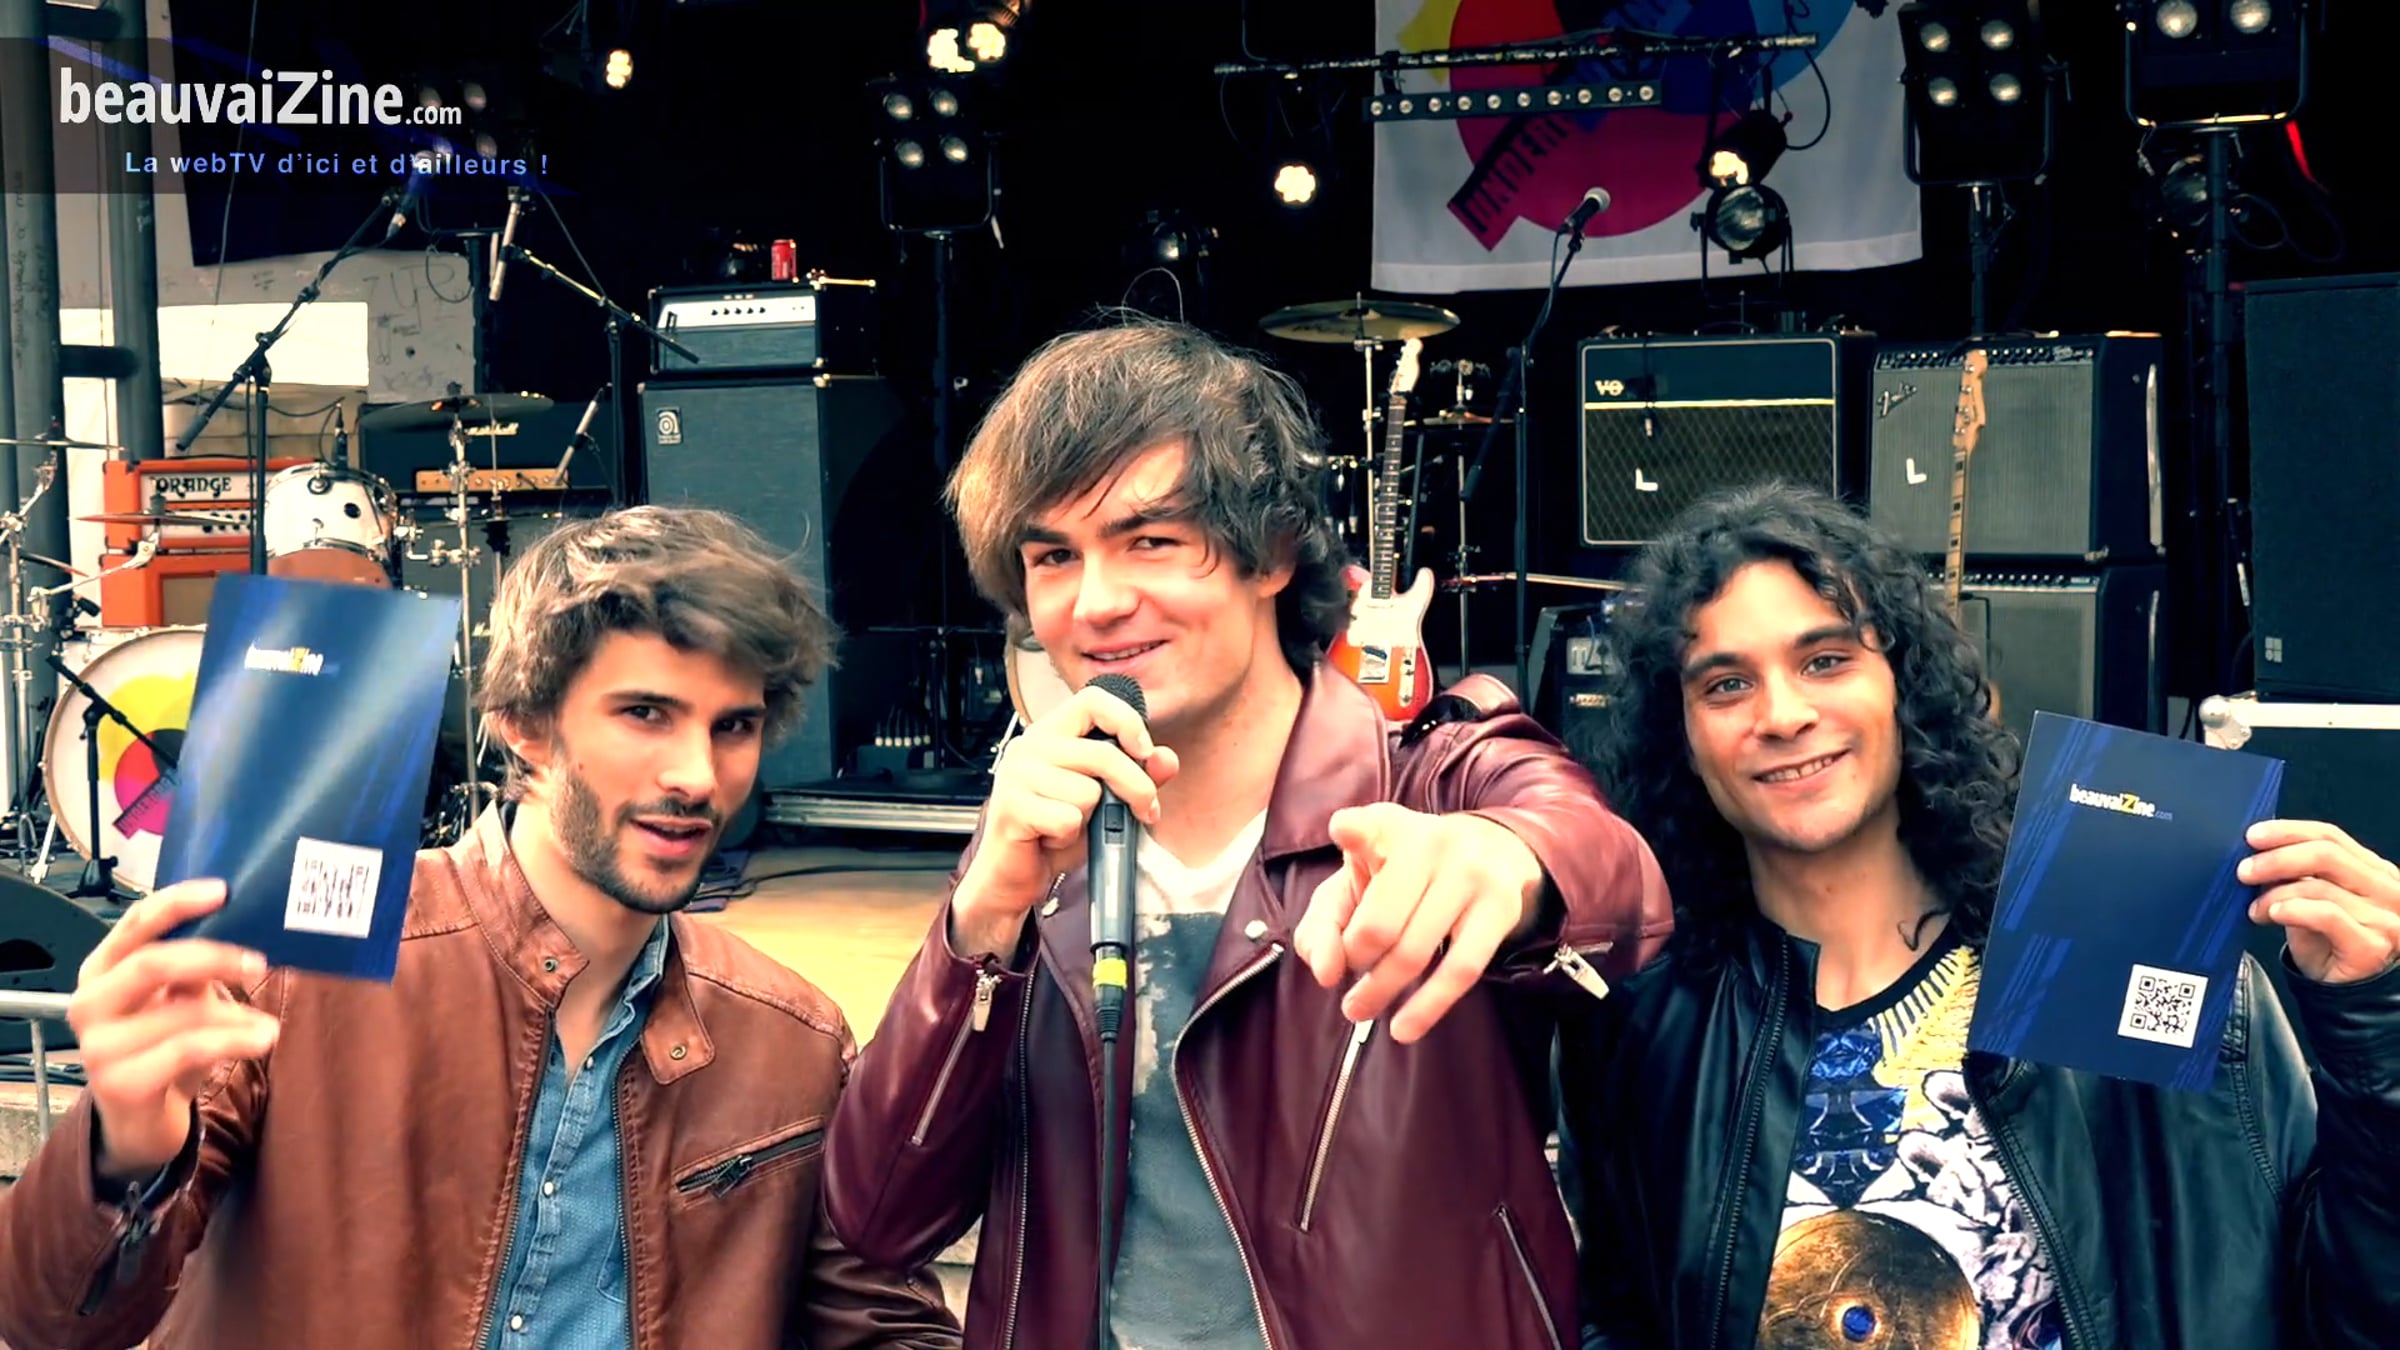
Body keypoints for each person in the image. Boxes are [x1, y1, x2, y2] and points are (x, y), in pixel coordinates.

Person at [819, 318, 1673, 1349]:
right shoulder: (1041, 847)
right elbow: (879, 1216)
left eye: (1151, 541)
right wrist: (980, 923)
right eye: (1054, 556)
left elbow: (1609, 874)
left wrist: (1508, 861)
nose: (1096, 604)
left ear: (1270, 551)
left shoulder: (1432, 782)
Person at [0, 506, 961, 1349]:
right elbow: (46, 1323)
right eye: (645, 713)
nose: (698, 776)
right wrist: (121, 1151)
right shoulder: (289, 970)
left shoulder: (792, 1039)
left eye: (733, 727)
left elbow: (886, 1325)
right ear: (524, 726)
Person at [1560, 482, 2400, 1349]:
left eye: (1826, 660)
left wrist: (2379, 1038)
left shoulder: (2118, 939)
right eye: (1727, 684)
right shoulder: (1647, 1030)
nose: (1784, 715)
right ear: (1682, 734)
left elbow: (2348, 1309)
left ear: (1903, 685)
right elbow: (1613, 1321)